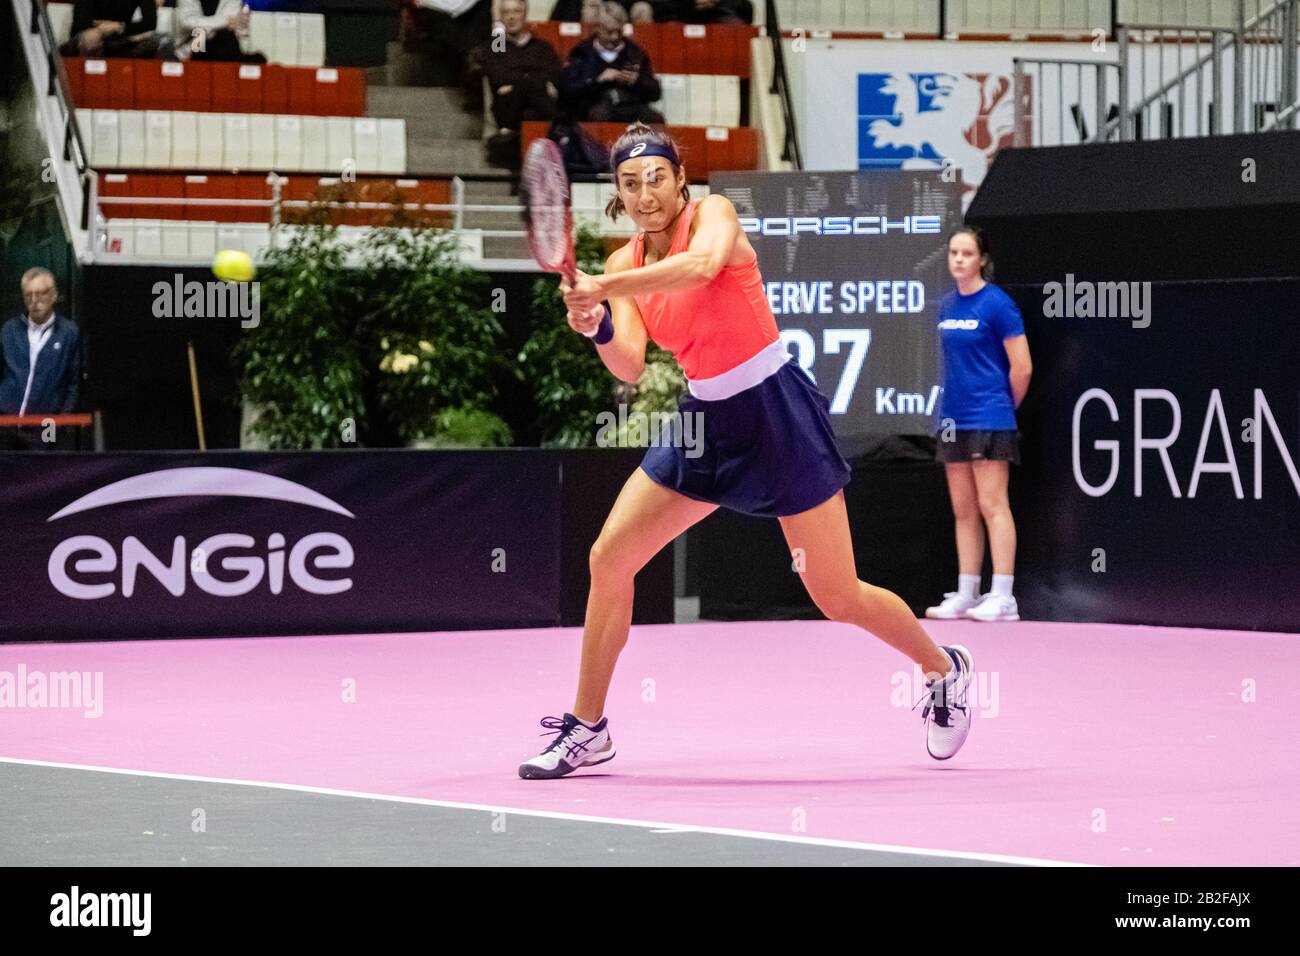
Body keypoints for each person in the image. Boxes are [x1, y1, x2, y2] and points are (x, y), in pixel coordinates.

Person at [517, 123, 976, 779]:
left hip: (774, 411)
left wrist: (603, 292)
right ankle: (588, 727)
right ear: (617, 194)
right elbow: (630, 366)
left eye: (657, 178)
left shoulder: (715, 217)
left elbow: (702, 267)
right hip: (705, 419)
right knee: (609, 557)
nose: (646, 193)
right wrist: (596, 325)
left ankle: (944, 668)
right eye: (630, 183)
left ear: (680, 180)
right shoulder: (622, 267)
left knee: (837, 595)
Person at [924, 227, 1032, 623]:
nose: (958, 260)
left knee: (992, 503)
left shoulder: (998, 305)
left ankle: (1003, 596)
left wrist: (1002, 408)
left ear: (982, 259)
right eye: (953, 252)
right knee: (963, 508)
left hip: (991, 416)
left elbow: (1022, 366)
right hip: (952, 417)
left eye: (967, 253)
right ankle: (967, 592)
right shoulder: (946, 305)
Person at [0, 269, 83, 450]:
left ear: (53, 295)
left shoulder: (69, 333)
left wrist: (61, 421)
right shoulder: (9, 330)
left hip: (44, 426)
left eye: (41, 293)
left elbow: (74, 383)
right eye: (28, 294)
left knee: (40, 476)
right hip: (5, 423)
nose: (34, 300)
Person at [468, 0, 562, 136]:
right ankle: (560, 127)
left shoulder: (542, 46)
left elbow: (555, 75)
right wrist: (538, 83)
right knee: (533, 94)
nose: (511, 17)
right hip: (508, 108)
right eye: (506, 12)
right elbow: (498, 77)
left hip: (534, 109)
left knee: (530, 115)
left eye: (516, 11)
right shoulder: (497, 45)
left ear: (525, 15)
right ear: (501, 17)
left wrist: (515, 84)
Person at [560, 3, 663, 124]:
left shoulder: (636, 53)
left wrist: (637, 81)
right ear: (597, 28)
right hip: (594, 106)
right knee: (597, 114)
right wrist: (599, 80)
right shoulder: (582, 52)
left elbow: (655, 93)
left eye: (619, 32)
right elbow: (569, 90)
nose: (614, 37)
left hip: (630, 105)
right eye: (609, 32)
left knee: (654, 118)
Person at [60, 0, 171, 57]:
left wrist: (119, 26)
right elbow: (80, 23)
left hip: (120, 39)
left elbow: (150, 23)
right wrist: (102, 29)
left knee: (164, 40)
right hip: (87, 36)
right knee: (92, 37)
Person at [174, 0, 263, 62]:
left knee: (223, 37)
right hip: (192, 47)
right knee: (202, 39)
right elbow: (186, 22)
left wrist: (201, 24)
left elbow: (231, 16)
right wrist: (224, 22)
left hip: (224, 46)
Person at [649, 0, 752, 24]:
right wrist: (690, 3)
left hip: (720, 16)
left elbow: (745, 7)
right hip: (680, 16)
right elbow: (658, 5)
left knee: (734, 26)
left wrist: (718, 2)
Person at [551, 0, 654, 23]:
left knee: (643, 8)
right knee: (590, 10)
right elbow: (554, 22)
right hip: (584, 37)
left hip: (623, 28)